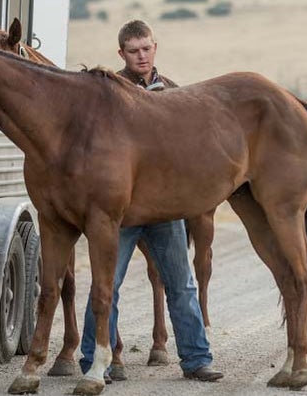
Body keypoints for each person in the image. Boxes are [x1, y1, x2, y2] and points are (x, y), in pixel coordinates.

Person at [78, 19, 223, 383]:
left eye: (146, 48)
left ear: (155, 47)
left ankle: (196, 359)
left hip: (165, 209)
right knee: (106, 285)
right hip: (122, 211)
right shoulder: (108, 92)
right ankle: (97, 361)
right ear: (121, 54)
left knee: (182, 284)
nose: (141, 56)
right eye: (133, 51)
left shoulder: (172, 93)